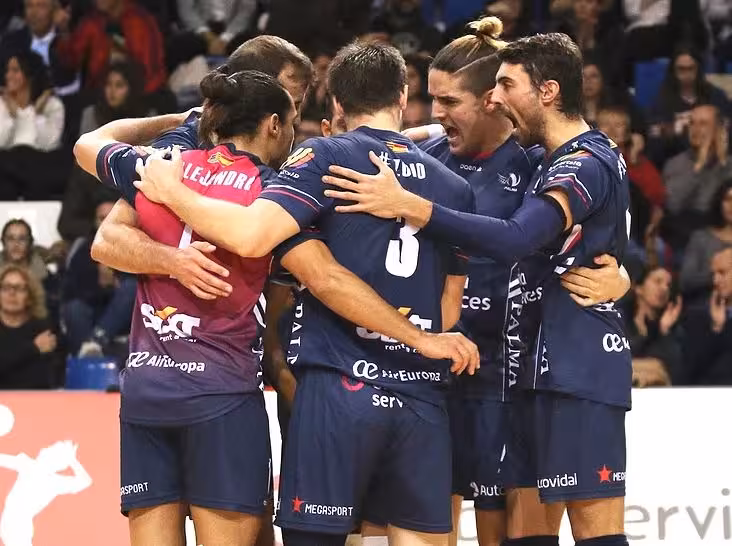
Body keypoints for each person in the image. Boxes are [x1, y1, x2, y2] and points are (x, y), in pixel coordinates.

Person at [132, 41, 481, 546]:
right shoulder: (454, 186)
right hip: (421, 390)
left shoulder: (323, 156)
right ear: (404, 97)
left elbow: (254, 238)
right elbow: (449, 305)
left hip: (340, 386)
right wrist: (421, 339)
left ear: (335, 103)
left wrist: (173, 192)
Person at [322, 33, 633, 546]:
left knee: (581, 529)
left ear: (546, 90)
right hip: (487, 368)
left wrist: (622, 278)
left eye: (506, 86)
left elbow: (522, 238)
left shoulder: (568, 160)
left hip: (551, 368)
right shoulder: (446, 152)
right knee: (515, 535)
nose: (496, 98)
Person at [74, 69, 299, 546]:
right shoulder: (274, 189)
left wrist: (174, 121)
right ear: (274, 124)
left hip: (147, 391)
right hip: (222, 395)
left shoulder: (160, 165)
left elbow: (88, 144)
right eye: (293, 122)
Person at [0, 264, 57, 389]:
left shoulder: (42, 328)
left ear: (30, 297)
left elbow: (45, 378)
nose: (12, 293)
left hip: (34, 397)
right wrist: (34, 348)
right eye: (5, 287)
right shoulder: (38, 343)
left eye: (20, 288)